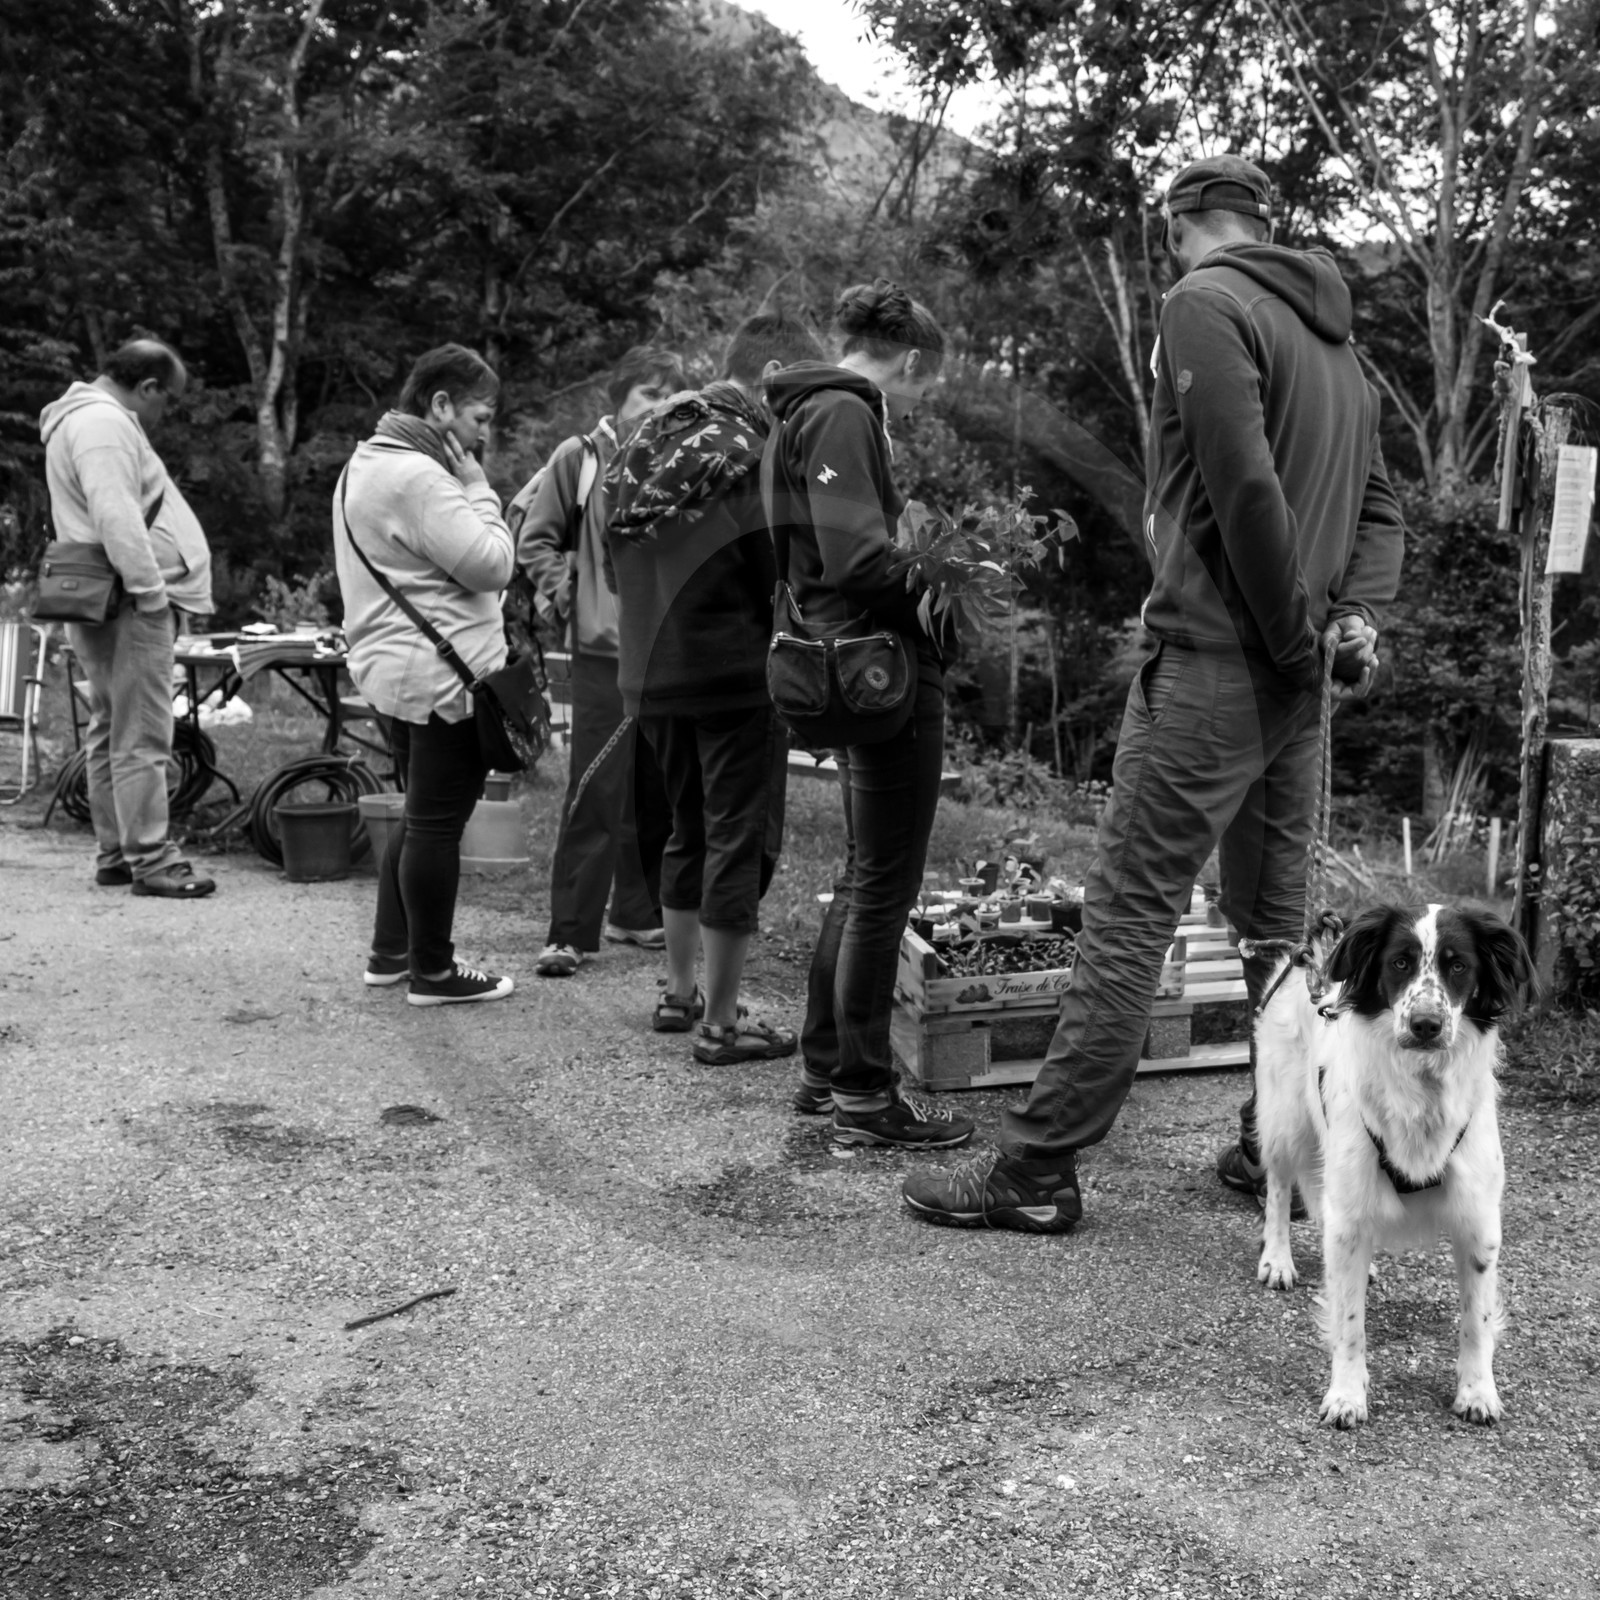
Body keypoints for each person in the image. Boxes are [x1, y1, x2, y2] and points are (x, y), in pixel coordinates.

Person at [901, 155, 1405, 1233]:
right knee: (1275, 928)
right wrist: (1346, 622)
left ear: (1182, 224)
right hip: (1295, 683)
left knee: (1129, 915)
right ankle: (1282, 1147)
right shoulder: (1340, 346)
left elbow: (1245, 486)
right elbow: (1377, 507)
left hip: (1223, 664)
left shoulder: (1200, 303)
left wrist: (1283, 636)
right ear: (1264, 223)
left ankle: (1035, 1170)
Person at [765, 281, 976, 1150]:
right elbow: (855, 561)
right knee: (883, 883)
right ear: (913, 359)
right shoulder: (847, 413)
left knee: (861, 875)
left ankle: (825, 1069)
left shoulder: (801, 409)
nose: (923, 399)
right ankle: (864, 1093)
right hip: (879, 668)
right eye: (928, 382)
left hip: (842, 664)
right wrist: (943, 579)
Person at [605, 313, 825, 1063]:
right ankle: (726, 1023)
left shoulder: (640, 439)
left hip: (648, 667)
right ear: (769, 376)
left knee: (685, 829)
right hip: (731, 671)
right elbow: (781, 567)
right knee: (738, 838)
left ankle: (678, 991)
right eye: (792, 390)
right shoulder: (754, 450)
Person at [334, 343, 516, 1007]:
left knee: (420, 814)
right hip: (444, 680)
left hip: (397, 670)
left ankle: (391, 953)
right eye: (478, 413)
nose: (483, 430)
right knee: (438, 823)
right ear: (439, 405)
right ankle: (433, 972)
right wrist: (479, 491)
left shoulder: (364, 464)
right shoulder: (420, 477)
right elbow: (493, 564)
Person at [514, 347, 684, 978]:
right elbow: (533, 539)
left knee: (656, 788)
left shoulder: (681, 460)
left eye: (667, 395)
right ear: (618, 398)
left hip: (667, 651)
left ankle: (636, 913)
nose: (657, 406)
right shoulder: (580, 458)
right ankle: (569, 932)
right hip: (603, 651)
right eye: (646, 393)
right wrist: (572, 591)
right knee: (595, 787)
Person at [39, 338, 217, 898]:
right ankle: (152, 858)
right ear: (147, 387)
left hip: (102, 597)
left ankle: (117, 852)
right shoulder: (104, 425)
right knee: (141, 731)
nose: (167, 413)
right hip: (127, 600)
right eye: (169, 400)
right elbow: (116, 516)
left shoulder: (82, 419)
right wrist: (151, 592)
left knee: (112, 726)